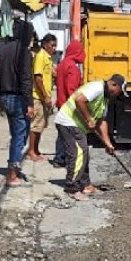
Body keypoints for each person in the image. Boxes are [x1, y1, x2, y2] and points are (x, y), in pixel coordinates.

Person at [55, 74, 128, 201]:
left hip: (76, 124)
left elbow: (101, 121)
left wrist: (108, 143)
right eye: (119, 91)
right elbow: (79, 100)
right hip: (67, 121)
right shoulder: (97, 88)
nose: (118, 95)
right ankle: (72, 188)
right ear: (113, 85)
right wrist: (88, 119)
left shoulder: (105, 99)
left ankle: (86, 186)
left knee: (85, 153)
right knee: (78, 153)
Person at [0, 21, 35, 187]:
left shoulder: (4, 49)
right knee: (20, 136)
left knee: (17, 135)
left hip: (5, 96)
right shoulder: (23, 52)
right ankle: (12, 174)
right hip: (18, 98)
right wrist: (30, 103)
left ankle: (14, 166)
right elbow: (26, 79)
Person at [51, 40, 86, 168]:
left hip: (61, 102)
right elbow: (71, 89)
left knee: (62, 133)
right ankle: (61, 159)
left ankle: (59, 158)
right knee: (68, 134)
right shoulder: (72, 67)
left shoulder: (63, 64)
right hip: (68, 105)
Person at [28, 34, 57, 161]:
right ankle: (31, 151)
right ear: (45, 44)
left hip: (44, 96)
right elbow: (38, 77)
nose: (54, 48)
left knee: (41, 125)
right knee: (36, 125)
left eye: (55, 46)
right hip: (38, 96)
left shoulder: (48, 58)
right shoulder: (40, 56)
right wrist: (45, 96)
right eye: (52, 45)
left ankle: (36, 149)